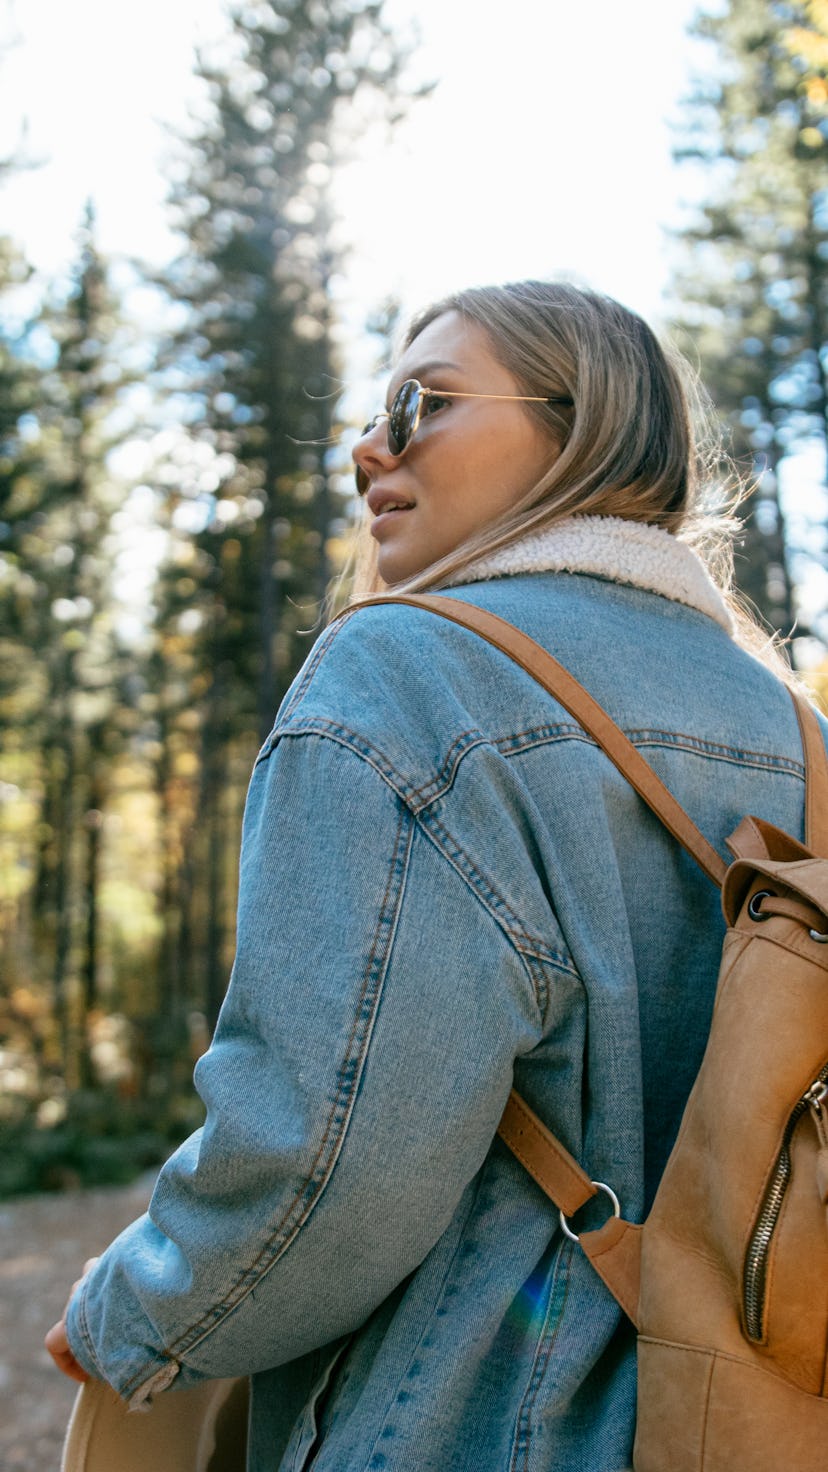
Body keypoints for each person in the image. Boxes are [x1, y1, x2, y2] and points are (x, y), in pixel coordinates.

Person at [46, 281, 824, 1471]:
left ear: (584, 426)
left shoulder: (409, 669)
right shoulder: (800, 731)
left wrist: (133, 1311)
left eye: (421, 402)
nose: (369, 447)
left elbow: (320, 1160)